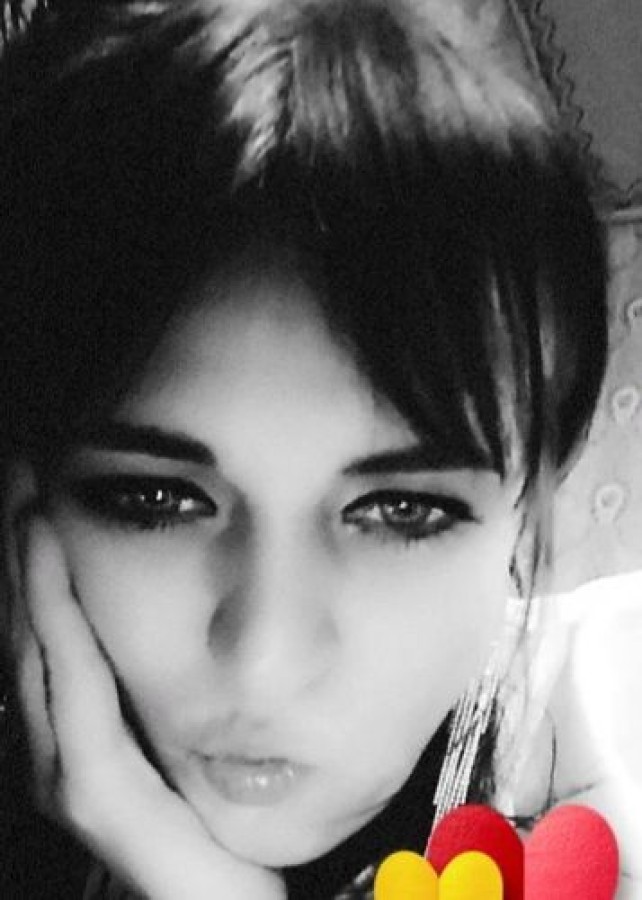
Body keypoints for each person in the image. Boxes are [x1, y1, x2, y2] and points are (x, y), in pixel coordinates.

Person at [0, 0, 608, 897]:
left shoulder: (567, 801)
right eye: (153, 500)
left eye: (404, 511)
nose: (266, 660)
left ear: (527, 509)